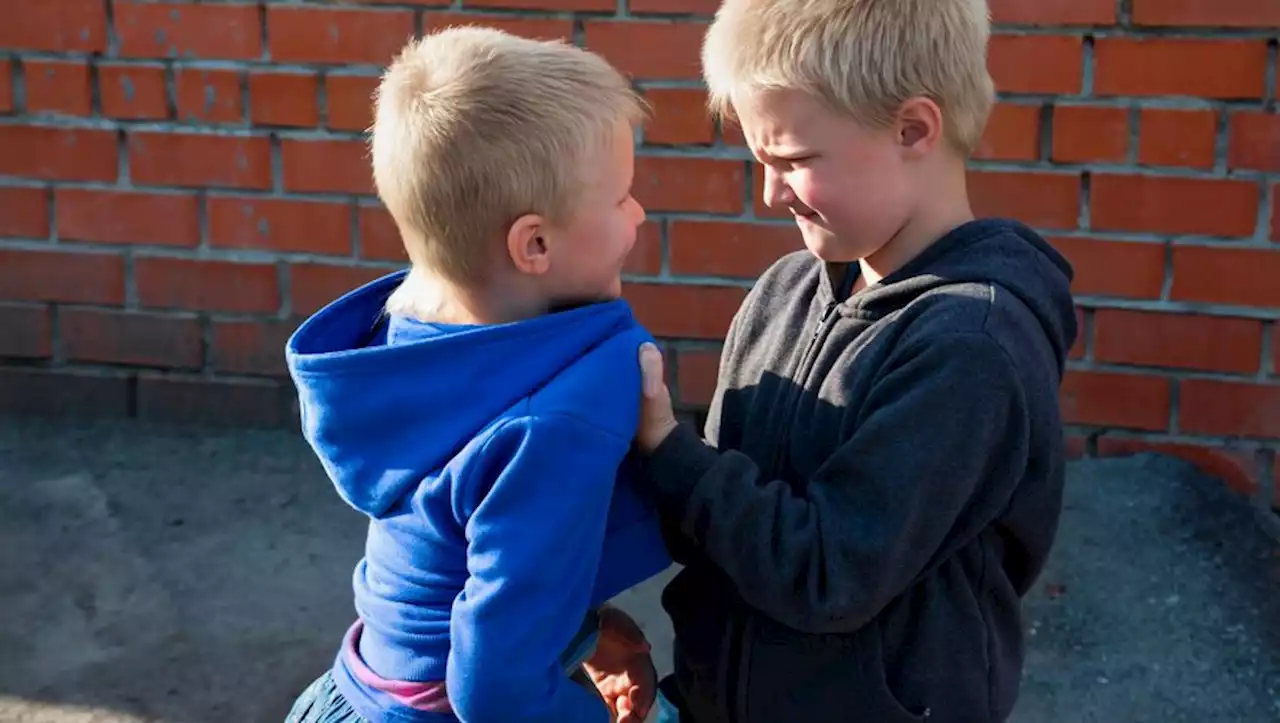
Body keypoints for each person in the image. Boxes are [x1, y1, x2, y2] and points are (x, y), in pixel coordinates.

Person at [634, 0, 1078, 721]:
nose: (771, 191)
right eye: (760, 160)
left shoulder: (971, 347)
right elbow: (712, 522)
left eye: (796, 161)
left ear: (913, 129)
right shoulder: (782, 293)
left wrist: (668, 449)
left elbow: (829, 573)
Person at [282, 27, 670, 723]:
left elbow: (456, 555)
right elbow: (496, 690)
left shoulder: (419, 340)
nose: (638, 212)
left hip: (354, 691)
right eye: (620, 199)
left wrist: (577, 629)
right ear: (536, 244)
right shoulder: (556, 420)